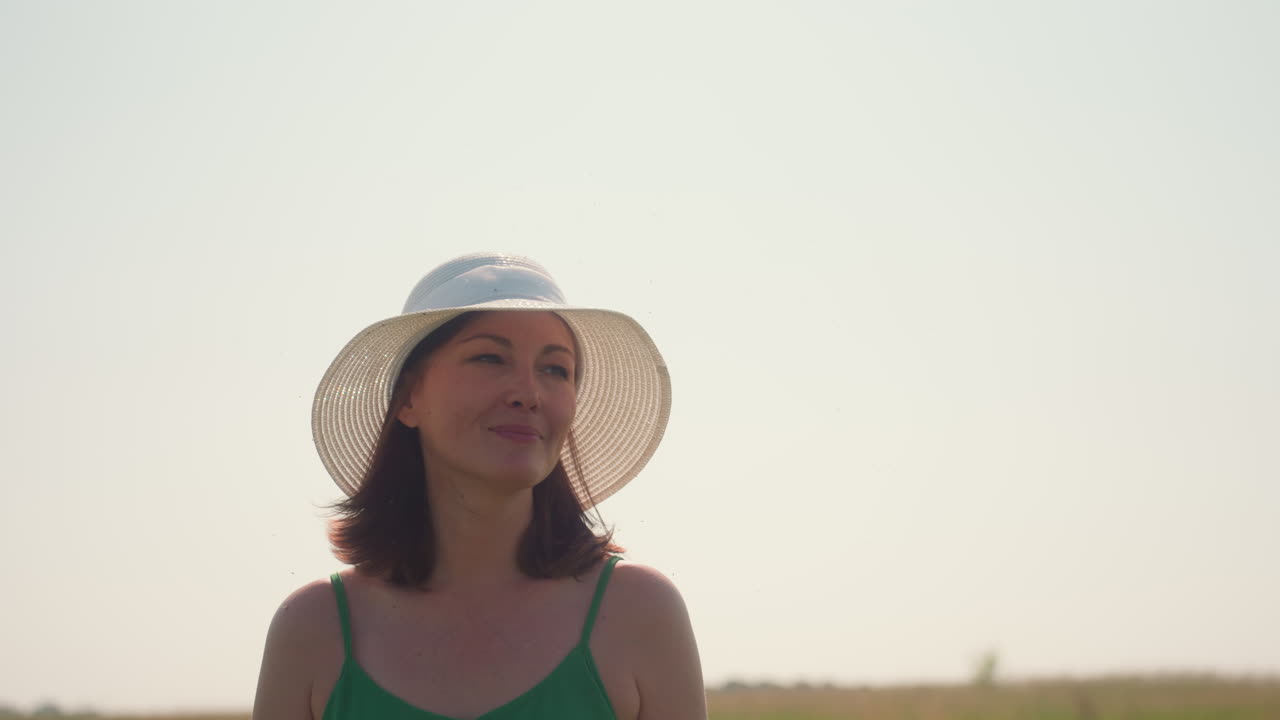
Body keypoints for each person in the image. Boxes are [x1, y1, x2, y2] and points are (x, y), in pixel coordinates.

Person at [252, 253, 705, 720]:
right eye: (489, 357)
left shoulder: (638, 613)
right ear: (409, 398)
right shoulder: (313, 630)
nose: (527, 393)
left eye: (555, 369)